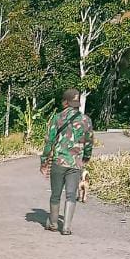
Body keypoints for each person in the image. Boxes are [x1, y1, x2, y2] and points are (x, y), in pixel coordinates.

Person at [40, 88, 93, 235]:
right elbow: (89, 142)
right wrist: (86, 157)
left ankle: (53, 223)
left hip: (58, 161)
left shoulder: (57, 118)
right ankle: (67, 227)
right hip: (76, 163)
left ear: (65, 102)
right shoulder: (86, 120)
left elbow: (49, 141)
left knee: (55, 194)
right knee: (71, 194)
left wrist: (44, 161)